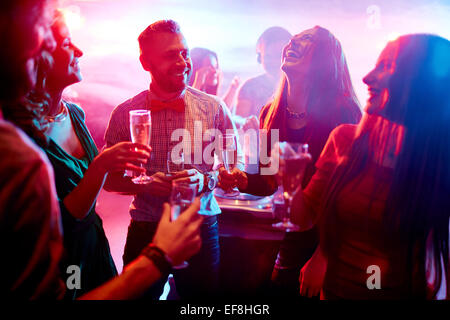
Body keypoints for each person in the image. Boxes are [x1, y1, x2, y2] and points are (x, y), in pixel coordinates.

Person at [1, 5, 204, 300]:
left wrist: (138, 177)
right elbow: (63, 222)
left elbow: (101, 190)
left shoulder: (75, 113)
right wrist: (102, 166)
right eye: (66, 42)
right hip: (66, 260)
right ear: (39, 54)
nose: (80, 51)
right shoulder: (18, 141)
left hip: (94, 247)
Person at [291, 34, 449, 299]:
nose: (367, 77)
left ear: (425, 85)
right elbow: (302, 218)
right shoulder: (345, 139)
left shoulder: (439, 161)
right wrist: (289, 180)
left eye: (386, 66)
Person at [104, 19, 243, 299]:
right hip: (145, 228)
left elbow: (235, 172)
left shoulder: (214, 109)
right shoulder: (124, 113)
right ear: (146, 63)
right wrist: (143, 185)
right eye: (170, 55)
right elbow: (108, 179)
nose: (182, 62)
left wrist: (205, 179)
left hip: (199, 227)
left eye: (185, 53)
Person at [220, 26, 362, 298]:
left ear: (324, 58)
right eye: (293, 39)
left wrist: (323, 257)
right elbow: (267, 182)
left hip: (333, 242)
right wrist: (242, 179)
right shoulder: (269, 113)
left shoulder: (344, 113)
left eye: (306, 39)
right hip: (292, 239)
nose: (292, 44)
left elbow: (351, 199)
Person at [234, 26, 292, 121]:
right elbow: (238, 119)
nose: (274, 62)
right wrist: (244, 122)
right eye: (268, 56)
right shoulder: (249, 87)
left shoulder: (302, 87)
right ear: (260, 58)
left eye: (278, 56)